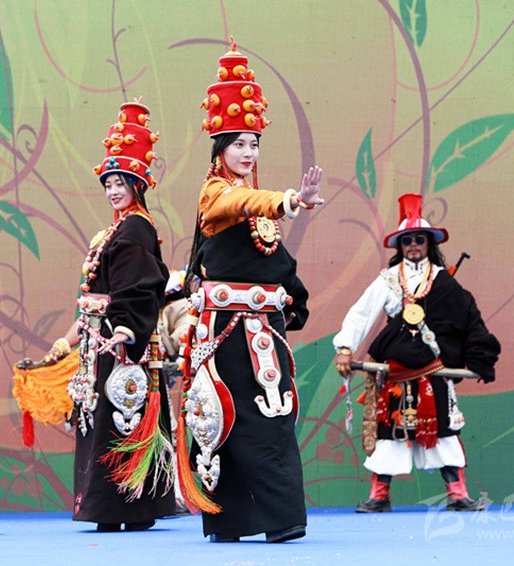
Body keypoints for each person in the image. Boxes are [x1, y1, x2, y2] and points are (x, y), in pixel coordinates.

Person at [177, 39, 323, 544]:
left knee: (271, 414)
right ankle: (230, 519)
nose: (248, 153)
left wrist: (294, 299)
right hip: (225, 331)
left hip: (262, 328)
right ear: (220, 149)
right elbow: (246, 203)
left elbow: (276, 264)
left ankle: (278, 519)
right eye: (239, 144)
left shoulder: (253, 207)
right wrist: (291, 199)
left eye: (254, 144)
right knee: (224, 418)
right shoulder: (217, 194)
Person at [43, 100, 175, 532]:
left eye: (122, 183)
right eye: (109, 183)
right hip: (101, 341)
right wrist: (64, 343)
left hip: (120, 344)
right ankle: (120, 508)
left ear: (139, 185)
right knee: (103, 420)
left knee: (119, 417)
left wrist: (124, 330)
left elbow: (139, 288)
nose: (113, 191)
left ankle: (123, 508)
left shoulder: (136, 227)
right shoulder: (113, 230)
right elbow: (91, 299)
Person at [333, 193, 500, 513]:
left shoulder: (443, 281)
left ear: (429, 243)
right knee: (388, 436)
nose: (413, 245)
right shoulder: (387, 280)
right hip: (395, 374)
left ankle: (458, 494)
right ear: (400, 245)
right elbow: (361, 313)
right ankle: (379, 496)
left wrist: (480, 360)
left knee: (444, 434)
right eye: (407, 240)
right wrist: (345, 348)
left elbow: (470, 320)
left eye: (419, 240)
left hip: (433, 371)